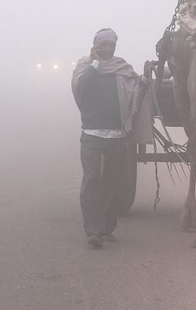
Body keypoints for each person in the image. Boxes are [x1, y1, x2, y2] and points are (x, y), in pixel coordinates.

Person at [71, 28, 143, 248]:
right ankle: (92, 229)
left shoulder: (122, 68)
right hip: (91, 134)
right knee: (91, 180)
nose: (108, 48)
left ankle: (106, 227)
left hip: (116, 135)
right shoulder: (85, 67)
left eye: (111, 45)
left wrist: (144, 80)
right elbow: (82, 87)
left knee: (112, 182)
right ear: (96, 46)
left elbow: (136, 88)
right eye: (104, 45)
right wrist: (95, 63)